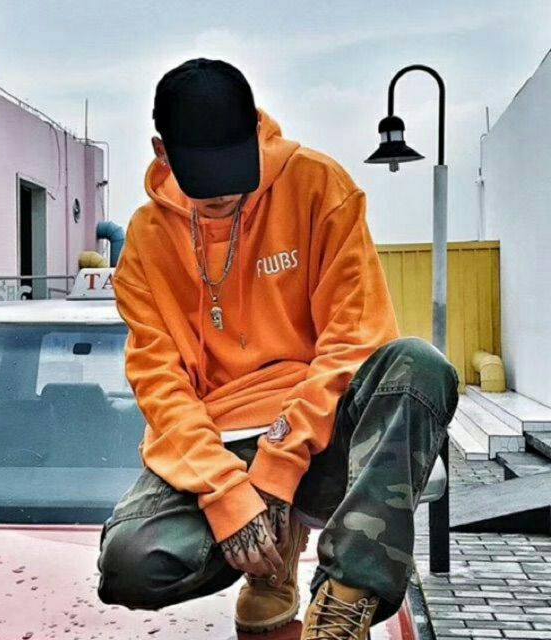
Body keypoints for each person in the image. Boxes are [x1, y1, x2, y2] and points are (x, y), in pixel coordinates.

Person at [96, 58, 460, 639]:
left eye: (237, 170)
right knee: (129, 566)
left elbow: (354, 340)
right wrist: (229, 496)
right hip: (220, 438)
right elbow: (161, 385)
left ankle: (345, 595)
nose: (226, 192)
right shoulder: (144, 241)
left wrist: (277, 470)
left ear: (256, 131)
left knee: (419, 365)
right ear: (163, 153)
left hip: (323, 426)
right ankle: (271, 559)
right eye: (206, 179)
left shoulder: (318, 186)